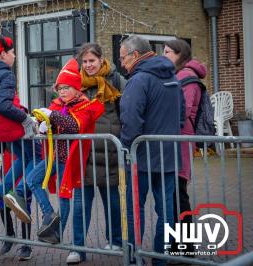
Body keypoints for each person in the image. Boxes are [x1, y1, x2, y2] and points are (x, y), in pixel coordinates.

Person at [6, 58, 104, 245]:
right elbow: (49, 119)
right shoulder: (57, 104)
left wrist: (52, 116)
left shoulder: (84, 105)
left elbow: (75, 126)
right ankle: (49, 213)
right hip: (53, 157)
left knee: (65, 196)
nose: (63, 92)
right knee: (33, 178)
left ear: (77, 88)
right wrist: (42, 123)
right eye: (60, 88)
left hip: (71, 160)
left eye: (67, 87)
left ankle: (57, 232)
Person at [119, 35, 181, 266]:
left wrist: (127, 146)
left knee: (135, 210)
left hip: (141, 158)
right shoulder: (173, 77)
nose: (122, 64)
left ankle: (135, 259)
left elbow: (130, 119)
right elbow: (181, 115)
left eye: (123, 58)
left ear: (135, 56)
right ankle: (160, 260)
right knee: (166, 212)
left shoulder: (139, 80)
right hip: (168, 157)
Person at [67, 43, 126, 264]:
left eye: (92, 60)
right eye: (85, 61)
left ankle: (116, 241)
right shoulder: (75, 83)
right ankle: (77, 248)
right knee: (81, 205)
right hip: (83, 154)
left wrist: (122, 142)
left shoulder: (117, 81)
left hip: (109, 153)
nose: (89, 65)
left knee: (112, 202)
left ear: (101, 60)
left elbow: (127, 112)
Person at [0, 36, 41, 225]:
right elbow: (3, 106)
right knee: (38, 158)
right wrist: (26, 119)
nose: (14, 56)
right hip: (12, 125)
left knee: (24, 158)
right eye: (12, 52)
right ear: (3, 54)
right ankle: (18, 193)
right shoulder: (6, 74)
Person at [164, 39, 207, 255]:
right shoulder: (181, 75)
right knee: (175, 196)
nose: (164, 56)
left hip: (179, 141)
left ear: (180, 54)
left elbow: (183, 110)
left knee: (178, 196)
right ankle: (178, 246)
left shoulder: (186, 77)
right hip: (177, 140)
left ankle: (186, 248)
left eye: (167, 52)